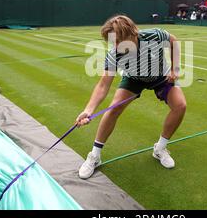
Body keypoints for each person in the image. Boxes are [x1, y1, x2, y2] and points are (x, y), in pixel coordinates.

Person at [76, 15, 186, 179]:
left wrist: (175, 69)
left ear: (132, 33)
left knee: (180, 106)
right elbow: (103, 85)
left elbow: (173, 41)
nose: (115, 46)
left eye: (118, 41)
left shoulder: (154, 36)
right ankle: (95, 156)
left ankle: (160, 149)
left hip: (160, 76)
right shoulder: (114, 54)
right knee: (114, 109)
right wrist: (88, 110)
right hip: (133, 79)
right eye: (113, 42)